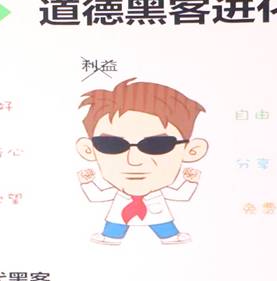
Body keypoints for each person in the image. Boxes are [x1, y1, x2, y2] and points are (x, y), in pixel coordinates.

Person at [76, 78, 209, 245]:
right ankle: (111, 237)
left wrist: (191, 181)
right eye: (112, 145)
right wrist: (87, 182)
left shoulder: (158, 195)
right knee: (115, 224)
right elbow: (96, 196)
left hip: (157, 212)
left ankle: (169, 236)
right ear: (88, 150)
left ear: (192, 151)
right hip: (120, 216)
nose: (134, 160)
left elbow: (182, 195)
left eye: (157, 145)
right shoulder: (118, 195)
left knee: (162, 223)